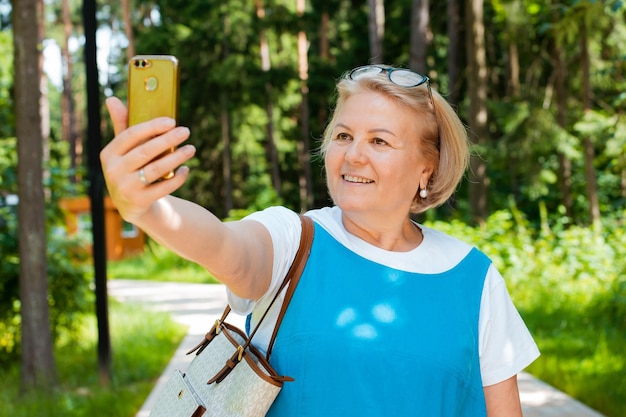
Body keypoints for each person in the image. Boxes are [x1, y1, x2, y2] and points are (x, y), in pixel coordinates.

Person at [101, 64, 540, 416]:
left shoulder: (474, 277)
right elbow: (224, 247)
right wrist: (147, 209)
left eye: (379, 141)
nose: (353, 155)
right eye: (344, 136)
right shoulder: (294, 239)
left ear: (427, 167)